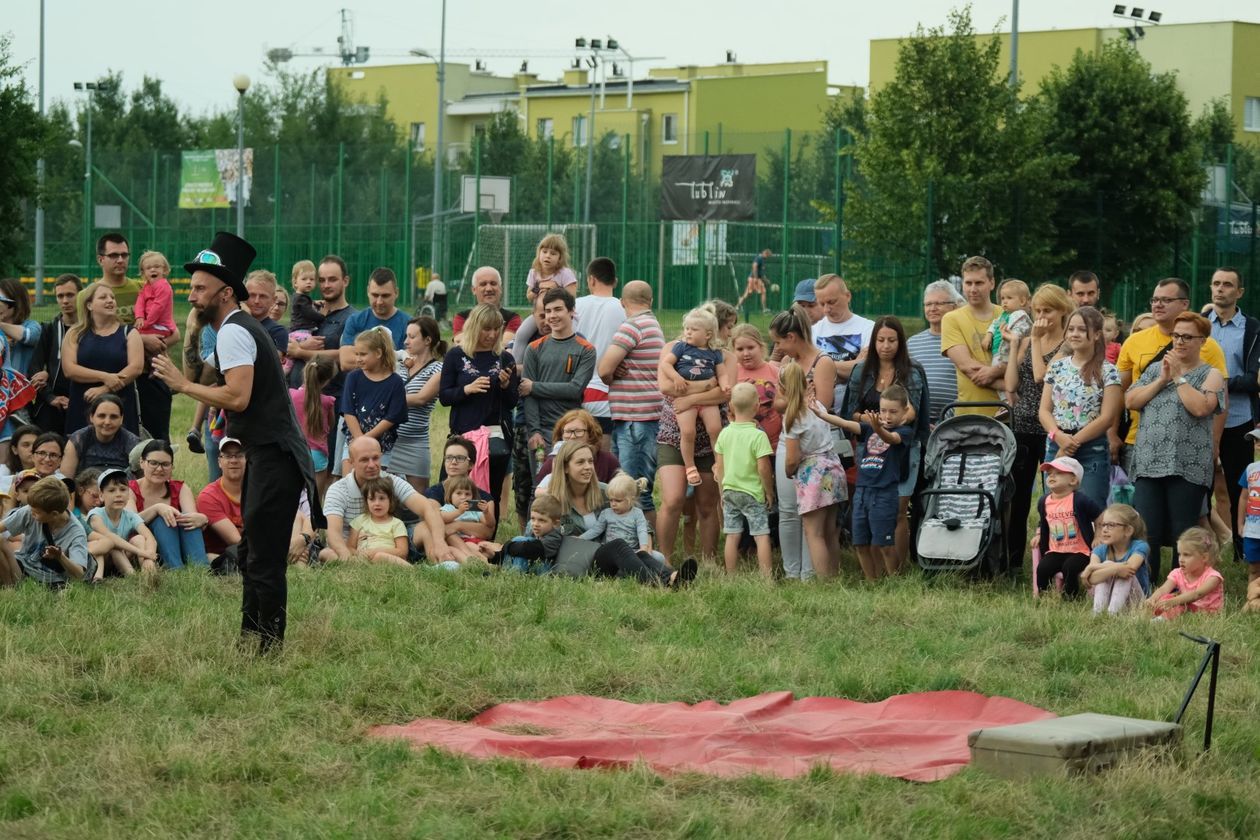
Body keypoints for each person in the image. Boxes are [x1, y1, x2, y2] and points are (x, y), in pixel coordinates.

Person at [151, 232, 323, 654]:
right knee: (251, 552)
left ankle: (269, 648)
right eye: (190, 287)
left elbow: (238, 397)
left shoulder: (233, 331)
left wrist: (182, 384)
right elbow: (212, 371)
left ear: (225, 292)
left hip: (275, 455)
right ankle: (250, 640)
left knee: (263, 557)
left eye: (199, 288)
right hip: (265, 454)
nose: (191, 296)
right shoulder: (234, 328)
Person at [1126, 311, 1226, 583]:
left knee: (1184, 532)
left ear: (1202, 341)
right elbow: (1131, 400)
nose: (1179, 341)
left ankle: (1180, 588)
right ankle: (1147, 587)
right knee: (1149, 531)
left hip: (1188, 465)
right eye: (1176, 335)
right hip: (1149, 461)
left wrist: (1180, 377)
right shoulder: (1157, 370)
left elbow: (1200, 408)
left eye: (1187, 337)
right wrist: (1161, 380)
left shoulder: (1212, 374)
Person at [840, 316, 930, 567]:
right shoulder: (861, 371)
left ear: (900, 342)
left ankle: (898, 570)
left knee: (899, 510)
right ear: (874, 341)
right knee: (871, 508)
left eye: (892, 340)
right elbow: (850, 413)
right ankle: (877, 569)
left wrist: (885, 424)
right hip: (870, 451)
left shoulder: (912, 370)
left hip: (903, 448)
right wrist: (875, 424)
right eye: (881, 340)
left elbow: (913, 412)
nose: (886, 345)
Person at [1115, 277, 1228, 477]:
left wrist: (1215, 443)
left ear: (1184, 304)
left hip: (1189, 444)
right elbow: (1119, 391)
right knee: (1137, 506)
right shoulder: (1134, 342)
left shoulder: (1208, 346)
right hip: (1139, 440)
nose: (1157, 304)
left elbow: (1220, 398)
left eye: (1166, 300)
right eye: (1154, 299)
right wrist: (1111, 434)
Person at [546, 440, 696, 586]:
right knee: (619, 545)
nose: (588, 467)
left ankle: (671, 577)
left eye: (590, 461)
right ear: (565, 467)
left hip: (609, 556)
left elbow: (638, 519)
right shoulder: (552, 500)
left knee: (654, 556)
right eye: (580, 462)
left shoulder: (607, 492)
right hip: (579, 560)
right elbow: (536, 532)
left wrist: (646, 545)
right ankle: (657, 582)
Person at [1003, 283, 1072, 572]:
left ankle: (1052, 559)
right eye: (1038, 310)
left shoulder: (1067, 343)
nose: (1042, 316)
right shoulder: (1032, 340)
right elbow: (1011, 385)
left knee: (1053, 499)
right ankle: (1012, 562)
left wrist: (1035, 339)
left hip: (1051, 428)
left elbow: (1043, 376)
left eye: (1048, 310)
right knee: (1016, 499)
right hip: (1022, 426)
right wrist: (1018, 346)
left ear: (1062, 312)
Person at [768, 305, 837, 580]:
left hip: (815, 451)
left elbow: (822, 406)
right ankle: (790, 571)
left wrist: (793, 402)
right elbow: (778, 403)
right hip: (789, 441)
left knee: (810, 513)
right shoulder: (787, 364)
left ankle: (809, 575)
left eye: (778, 341)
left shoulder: (823, 362)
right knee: (787, 510)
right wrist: (797, 400)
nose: (777, 348)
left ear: (792, 337)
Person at [817, 384, 913, 579]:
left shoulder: (904, 432)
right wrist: (820, 413)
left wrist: (878, 427)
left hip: (884, 493)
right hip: (862, 491)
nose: (887, 416)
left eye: (893, 412)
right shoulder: (870, 428)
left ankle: (894, 581)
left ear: (904, 413)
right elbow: (845, 423)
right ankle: (872, 582)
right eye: (883, 410)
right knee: (860, 543)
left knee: (885, 544)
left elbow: (891, 438)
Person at [439, 303, 520, 526]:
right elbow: (444, 397)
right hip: (462, 434)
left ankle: (484, 534)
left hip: (494, 437)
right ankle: (452, 531)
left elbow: (512, 402)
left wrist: (505, 387)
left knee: (488, 493)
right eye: (486, 329)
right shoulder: (456, 356)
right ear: (474, 327)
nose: (492, 335)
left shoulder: (505, 359)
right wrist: (467, 389)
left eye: (496, 329)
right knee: (451, 488)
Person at [327, 436, 462, 565]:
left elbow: (427, 508)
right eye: (364, 460)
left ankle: (440, 561)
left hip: (392, 546)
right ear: (351, 462)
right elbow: (333, 532)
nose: (372, 465)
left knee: (426, 527)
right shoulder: (338, 490)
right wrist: (349, 559)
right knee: (329, 554)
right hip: (354, 548)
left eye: (375, 458)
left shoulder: (390, 481)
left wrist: (440, 543)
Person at [1040, 306, 1122, 509]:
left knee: (1091, 510)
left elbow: (1107, 418)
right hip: (1056, 445)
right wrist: (1058, 437)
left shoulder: (1108, 371)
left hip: (1090, 449)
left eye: (1082, 329)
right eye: (1071, 329)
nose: (1075, 334)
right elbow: (1044, 410)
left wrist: (1072, 443)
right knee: (1055, 510)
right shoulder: (1057, 366)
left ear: (1096, 335)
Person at [1206, 267, 1260, 560]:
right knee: (1202, 487)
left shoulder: (1252, 329)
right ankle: (1200, 550)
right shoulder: (1200, 325)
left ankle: (1243, 550)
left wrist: (1220, 382)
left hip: (1239, 419)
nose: (1220, 289)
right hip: (1201, 417)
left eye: (1227, 285)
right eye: (1216, 283)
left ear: (1239, 292)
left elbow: (1255, 378)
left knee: (1240, 487)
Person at [599, 280, 664, 519]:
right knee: (634, 488)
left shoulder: (632, 326)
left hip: (636, 419)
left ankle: (644, 545)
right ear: (651, 301)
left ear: (622, 302)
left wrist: (611, 371)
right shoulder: (653, 324)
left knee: (634, 492)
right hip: (641, 417)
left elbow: (604, 369)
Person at [778, 361, 846, 580]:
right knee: (829, 530)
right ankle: (834, 575)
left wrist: (790, 471)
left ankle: (823, 582)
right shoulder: (818, 406)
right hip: (833, 467)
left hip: (812, 474)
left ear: (782, 389)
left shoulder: (792, 416)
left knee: (813, 532)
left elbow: (792, 457)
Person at [522, 288, 595, 474]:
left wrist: (535, 387)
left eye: (558, 309)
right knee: (539, 489)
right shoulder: (533, 349)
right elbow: (527, 394)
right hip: (542, 433)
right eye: (548, 311)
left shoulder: (586, 350)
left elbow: (574, 389)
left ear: (571, 311)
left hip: (571, 432)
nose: (552, 316)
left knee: (572, 485)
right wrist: (534, 431)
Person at [62, 282, 144, 435]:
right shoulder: (75, 333)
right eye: (103, 297)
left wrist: (105, 389)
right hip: (83, 404)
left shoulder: (129, 332)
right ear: (89, 305)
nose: (110, 300)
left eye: (112, 297)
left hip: (120, 404)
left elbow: (136, 367)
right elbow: (69, 369)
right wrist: (105, 376)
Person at [713, 382, 775, 577]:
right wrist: (769, 491)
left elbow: (720, 466)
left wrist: (722, 493)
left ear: (730, 406)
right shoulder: (758, 436)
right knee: (761, 535)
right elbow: (764, 467)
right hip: (752, 492)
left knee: (732, 535)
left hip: (730, 491)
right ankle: (766, 579)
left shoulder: (724, 433)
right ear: (757, 406)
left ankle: (731, 576)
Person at [661, 308, 728, 487]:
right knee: (688, 432)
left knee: (715, 429)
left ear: (708, 334)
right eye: (687, 328)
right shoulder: (681, 347)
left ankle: (718, 462)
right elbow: (666, 364)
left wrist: (724, 383)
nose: (688, 332)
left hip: (707, 401)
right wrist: (676, 377)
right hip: (686, 403)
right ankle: (690, 467)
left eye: (693, 329)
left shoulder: (715, 352)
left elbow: (721, 373)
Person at [128, 439, 208, 570]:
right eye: (153, 463)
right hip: (143, 549)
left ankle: (201, 568)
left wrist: (202, 519)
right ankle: (174, 568)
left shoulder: (180, 488)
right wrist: (157, 509)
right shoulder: (130, 489)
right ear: (142, 463)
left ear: (172, 467)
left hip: (179, 544)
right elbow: (129, 524)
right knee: (162, 519)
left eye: (165, 464)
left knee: (187, 518)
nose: (159, 469)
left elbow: (192, 518)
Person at [0, 476, 93, 587]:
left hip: (50, 579)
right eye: (31, 509)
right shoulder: (32, 509)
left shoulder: (76, 532)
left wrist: (60, 556)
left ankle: (11, 588)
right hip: (23, 565)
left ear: (54, 514)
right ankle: (9, 586)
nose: (31, 513)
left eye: (36, 512)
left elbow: (79, 574)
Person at [941, 256, 1005, 413]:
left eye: (979, 283)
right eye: (968, 283)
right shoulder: (951, 318)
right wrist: (1008, 384)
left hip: (1008, 413)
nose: (973, 289)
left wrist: (994, 373)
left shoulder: (1008, 315)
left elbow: (1020, 362)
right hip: (968, 414)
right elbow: (967, 367)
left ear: (992, 283)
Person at [1034, 457, 1104, 598]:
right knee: (1043, 568)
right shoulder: (1044, 501)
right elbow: (1044, 521)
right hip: (1056, 550)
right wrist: (1039, 534)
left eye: (1058, 473)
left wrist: (1098, 536)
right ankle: (1044, 598)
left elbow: (1100, 516)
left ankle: (1070, 598)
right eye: (1049, 473)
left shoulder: (1080, 500)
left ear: (1073, 480)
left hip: (1080, 551)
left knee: (1070, 567)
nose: (1052, 475)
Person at [574, 257, 626, 440]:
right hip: (607, 393)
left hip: (576, 391)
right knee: (605, 462)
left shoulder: (575, 306)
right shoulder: (623, 308)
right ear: (615, 282)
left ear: (591, 279)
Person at [341, 327, 407, 468]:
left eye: (363, 354)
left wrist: (367, 439)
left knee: (374, 488)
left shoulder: (395, 382)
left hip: (380, 447)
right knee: (350, 485)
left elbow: (392, 417)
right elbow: (348, 411)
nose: (358, 359)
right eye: (356, 354)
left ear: (378, 353)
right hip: (353, 443)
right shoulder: (353, 377)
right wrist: (359, 440)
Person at [811, 274, 875, 418]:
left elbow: (865, 370)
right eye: (821, 304)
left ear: (847, 296)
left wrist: (823, 369)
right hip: (821, 416)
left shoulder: (869, 328)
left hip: (858, 414)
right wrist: (853, 365)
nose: (826, 309)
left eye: (831, 302)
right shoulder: (813, 332)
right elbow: (808, 372)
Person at [393, 316, 444, 491]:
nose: (406, 341)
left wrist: (386, 398)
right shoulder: (399, 364)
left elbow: (421, 398)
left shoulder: (438, 369)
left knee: (419, 501)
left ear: (428, 340)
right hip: (389, 441)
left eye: (412, 337)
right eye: (406, 336)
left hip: (415, 443)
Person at [907, 280, 964, 428]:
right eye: (928, 304)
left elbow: (969, 387)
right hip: (917, 424)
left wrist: (944, 421)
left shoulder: (963, 341)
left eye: (939, 303)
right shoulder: (912, 343)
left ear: (954, 306)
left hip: (955, 423)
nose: (932, 308)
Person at [29, 274, 80, 434]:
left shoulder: (92, 329)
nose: (65, 301)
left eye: (70, 295)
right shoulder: (49, 329)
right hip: (51, 404)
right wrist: (51, 397)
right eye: (60, 296)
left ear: (82, 295)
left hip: (83, 403)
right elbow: (34, 367)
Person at [88, 467, 159, 578]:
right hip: (100, 559)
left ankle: (149, 574)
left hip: (122, 558)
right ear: (101, 495)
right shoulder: (96, 515)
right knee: (113, 546)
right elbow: (110, 537)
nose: (118, 494)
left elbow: (150, 538)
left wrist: (149, 556)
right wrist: (141, 552)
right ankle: (133, 577)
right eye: (112, 490)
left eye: (123, 489)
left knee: (140, 539)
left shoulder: (130, 516)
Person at [1082, 503, 1150, 615]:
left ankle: (1113, 615)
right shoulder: (1099, 549)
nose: (1104, 530)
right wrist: (1115, 570)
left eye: (1111, 525)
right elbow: (1091, 580)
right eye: (1103, 525)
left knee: (1125, 575)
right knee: (1108, 570)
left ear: (1128, 530)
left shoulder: (1140, 546)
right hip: (1107, 600)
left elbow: (1129, 569)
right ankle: (1098, 614)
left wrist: (1093, 567)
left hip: (1136, 604)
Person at [338, 267, 409, 371]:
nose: (379, 302)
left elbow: (411, 362)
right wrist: (391, 359)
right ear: (367, 291)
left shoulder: (409, 324)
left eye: (385, 296)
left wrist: (364, 358)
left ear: (396, 293)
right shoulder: (355, 320)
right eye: (375, 295)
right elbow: (346, 362)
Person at [1146, 527, 1224, 619]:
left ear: (1204, 557)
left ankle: (1161, 619)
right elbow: (1163, 589)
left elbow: (1196, 594)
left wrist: (1173, 601)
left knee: (1178, 605)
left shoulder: (1213, 577)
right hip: (1187, 606)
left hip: (1206, 613)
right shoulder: (1178, 573)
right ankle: (1151, 615)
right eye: (1179, 554)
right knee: (1165, 597)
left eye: (1186, 555)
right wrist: (1152, 599)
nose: (1181, 559)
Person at [534, 410, 621, 487]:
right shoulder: (553, 462)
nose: (572, 437)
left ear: (590, 434)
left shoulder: (608, 460)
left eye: (578, 431)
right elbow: (537, 498)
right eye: (567, 432)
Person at [62, 394, 142, 477]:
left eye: (113, 417)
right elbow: (66, 481)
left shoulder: (132, 442)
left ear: (121, 419)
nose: (107, 422)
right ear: (91, 417)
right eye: (101, 416)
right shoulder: (78, 440)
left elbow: (141, 481)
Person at [730, 325, 781, 453]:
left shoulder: (775, 372)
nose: (746, 353)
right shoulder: (731, 373)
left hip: (774, 446)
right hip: (742, 445)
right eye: (740, 349)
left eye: (751, 347)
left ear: (761, 347)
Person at [485, 494, 565, 574]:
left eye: (542, 520)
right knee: (521, 542)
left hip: (544, 569)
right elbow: (519, 550)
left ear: (555, 523)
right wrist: (494, 556)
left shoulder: (554, 537)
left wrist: (507, 545)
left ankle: (513, 574)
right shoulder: (535, 531)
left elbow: (527, 549)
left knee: (521, 541)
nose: (535, 524)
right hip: (530, 563)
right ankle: (506, 571)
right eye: (533, 519)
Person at [196, 437, 246, 560]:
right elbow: (235, 540)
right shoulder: (208, 497)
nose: (233, 461)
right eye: (228, 456)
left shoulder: (258, 490)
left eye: (239, 455)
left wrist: (301, 538)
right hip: (225, 556)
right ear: (219, 461)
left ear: (247, 460)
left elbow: (295, 517)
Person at [289, 356, 338, 477]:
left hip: (294, 451)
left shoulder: (290, 394)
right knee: (316, 495)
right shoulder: (328, 401)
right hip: (317, 453)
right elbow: (330, 426)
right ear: (327, 380)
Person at [348, 477, 411, 566]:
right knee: (328, 553)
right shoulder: (360, 521)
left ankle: (411, 569)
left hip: (388, 559)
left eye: (382, 498)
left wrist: (377, 551)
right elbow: (350, 547)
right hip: (363, 560)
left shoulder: (397, 523)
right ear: (366, 501)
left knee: (379, 556)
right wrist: (360, 554)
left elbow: (402, 551)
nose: (377, 503)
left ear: (390, 500)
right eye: (372, 499)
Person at [989, 279, 1032, 403]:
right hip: (999, 351)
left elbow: (1022, 330)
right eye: (1002, 298)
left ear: (1023, 301)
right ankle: (1006, 402)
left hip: (1009, 352)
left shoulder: (1020, 315)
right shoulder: (1003, 315)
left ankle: (1009, 402)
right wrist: (988, 335)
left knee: (1010, 377)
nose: (1004, 302)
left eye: (1009, 298)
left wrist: (1012, 336)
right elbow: (993, 325)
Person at [452, 267, 521, 345]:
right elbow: (462, 344)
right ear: (474, 290)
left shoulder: (513, 318)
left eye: (493, 283)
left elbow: (506, 344)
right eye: (483, 284)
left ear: (500, 288)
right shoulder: (462, 317)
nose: (489, 289)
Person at [439, 475, 492, 558]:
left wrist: (486, 512)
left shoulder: (474, 510)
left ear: (472, 496)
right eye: (458, 493)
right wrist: (459, 511)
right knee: (472, 547)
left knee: (490, 549)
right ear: (450, 495)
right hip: (460, 541)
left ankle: (489, 556)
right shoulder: (449, 508)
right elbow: (443, 518)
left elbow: (489, 524)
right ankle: (483, 561)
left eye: (467, 494)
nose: (463, 497)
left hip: (477, 539)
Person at [133, 251, 176, 344]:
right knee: (134, 337)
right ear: (143, 273)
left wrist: (146, 324)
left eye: (157, 266)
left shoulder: (163, 286)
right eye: (148, 268)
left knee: (135, 338)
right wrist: (139, 316)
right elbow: (140, 301)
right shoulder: (146, 286)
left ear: (164, 270)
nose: (153, 269)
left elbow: (158, 307)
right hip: (151, 324)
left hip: (161, 326)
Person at [1237, 427, 1260, 597]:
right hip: (1253, 531)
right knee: (1253, 568)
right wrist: (1240, 524)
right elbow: (1244, 498)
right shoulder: (1251, 469)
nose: (1258, 444)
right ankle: (1252, 601)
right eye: (1257, 441)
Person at [243, 270, 289, 354]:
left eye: (263, 296)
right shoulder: (234, 322)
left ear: (273, 300)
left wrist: (250, 323)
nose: (256, 301)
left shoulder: (278, 331)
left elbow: (272, 364)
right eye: (252, 295)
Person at [525, 232, 578, 302]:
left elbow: (571, 299)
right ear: (539, 253)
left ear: (560, 258)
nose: (548, 256)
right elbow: (529, 297)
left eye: (553, 253)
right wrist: (539, 287)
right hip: (539, 311)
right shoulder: (534, 272)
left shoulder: (566, 273)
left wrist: (556, 289)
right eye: (544, 252)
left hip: (559, 312)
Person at [287, 259, 324, 339]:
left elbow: (307, 306)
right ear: (295, 282)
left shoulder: (300, 297)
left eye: (311, 279)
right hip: (301, 332)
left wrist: (314, 304)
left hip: (301, 330)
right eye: (304, 279)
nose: (308, 282)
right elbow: (310, 313)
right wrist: (323, 317)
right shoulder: (300, 299)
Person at [0, 424, 40, 494]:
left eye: (36, 445)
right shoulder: (4, 471)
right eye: (26, 445)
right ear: (15, 450)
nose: (32, 449)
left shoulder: (53, 473)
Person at [736, 248, 772, 313]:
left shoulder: (762, 259)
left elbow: (761, 273)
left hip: (754, 278)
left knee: (746, 294)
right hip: (755, 279)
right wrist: (755, 278)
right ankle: (764, 309)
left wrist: (766, 280)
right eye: (768, 256)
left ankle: (737, 307)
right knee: (763, 292)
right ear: (765, 253)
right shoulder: (759, 258)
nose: (768, 258)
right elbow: (754, 266)